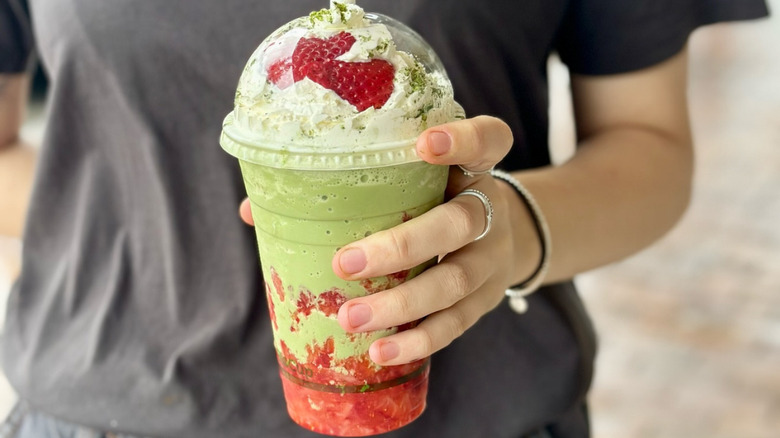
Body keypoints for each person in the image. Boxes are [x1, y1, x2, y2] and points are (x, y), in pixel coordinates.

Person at [0, 0, 769, 437]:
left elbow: (650, 143)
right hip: (100, 409)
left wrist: (515, 232)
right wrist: (121, 213)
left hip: (487, 419)